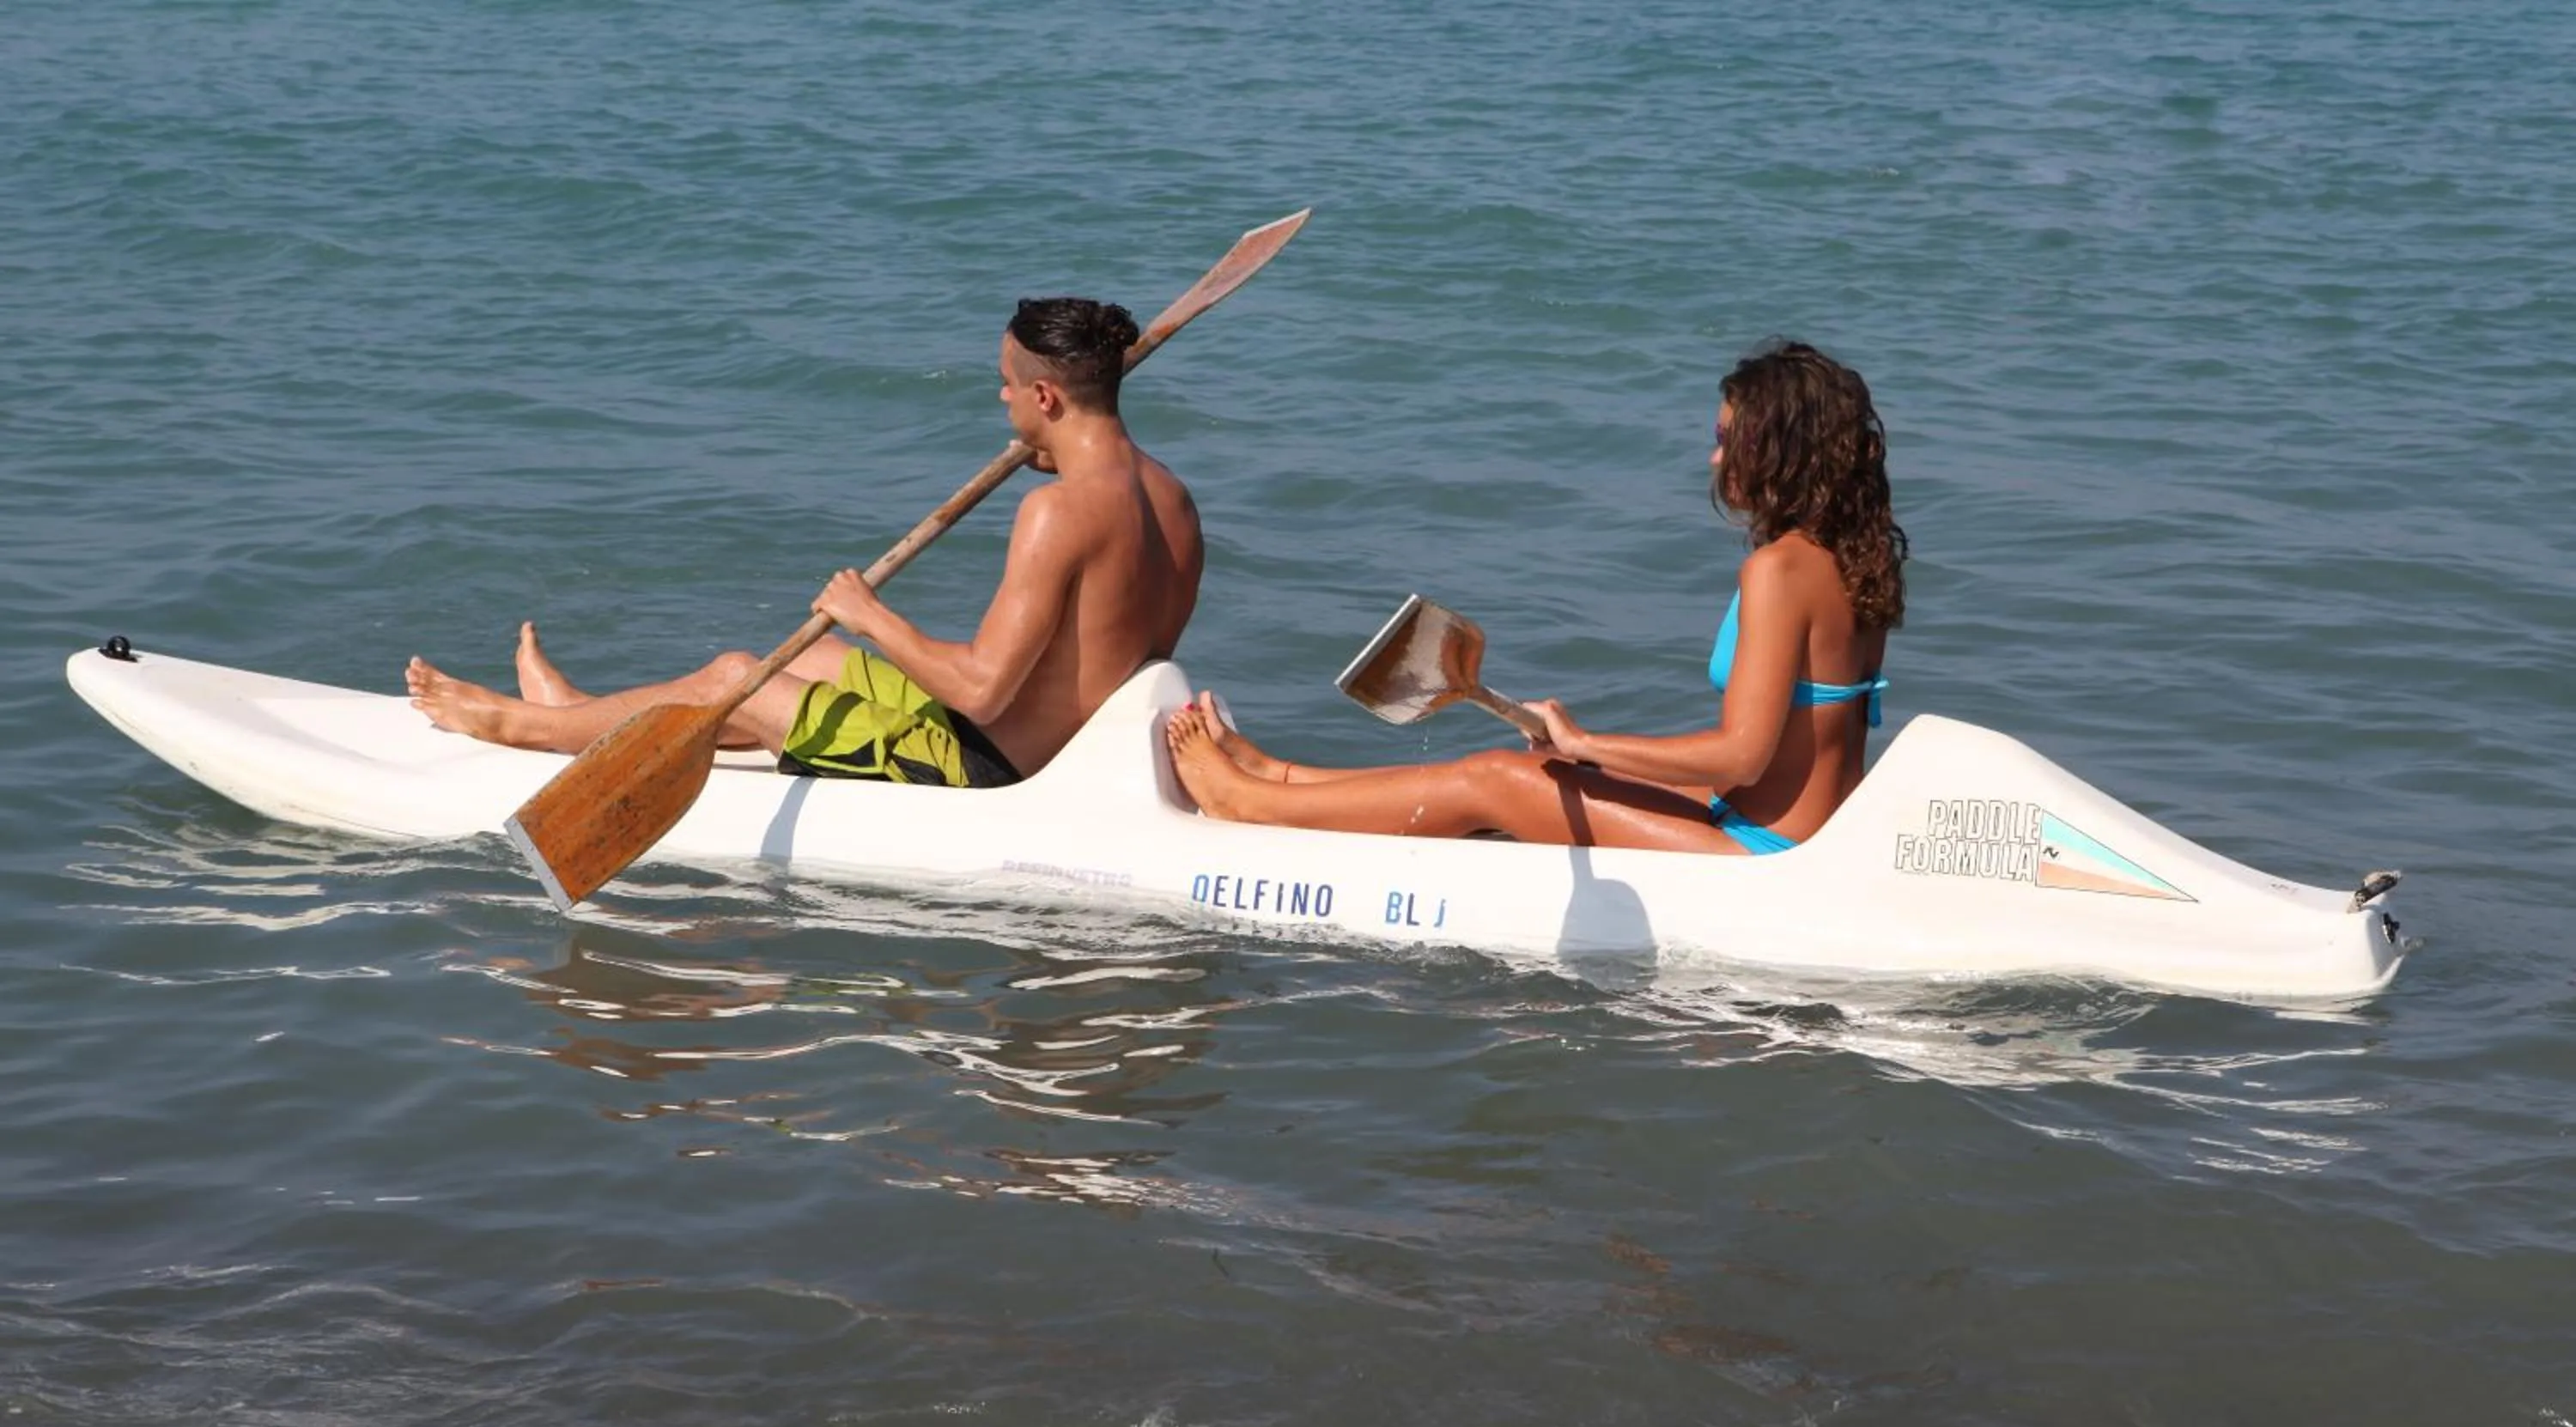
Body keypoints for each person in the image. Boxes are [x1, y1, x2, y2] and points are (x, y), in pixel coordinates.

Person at [406, 296, 1204, 787]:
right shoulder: (1172, 499)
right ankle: (585, 715)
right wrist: (1053, 451)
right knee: (797, 662)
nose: (1000, 398)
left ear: (1045, 395)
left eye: (1007, 383)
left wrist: (870, 616)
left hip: (983, 761)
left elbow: (985, 692)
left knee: (738, 682)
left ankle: (514, 726)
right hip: (1051, 740)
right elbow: (1092, 646)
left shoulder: (1057, 512)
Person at [1166, 339, 1905, 854]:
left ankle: (1249, 805)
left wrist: (1585, 741)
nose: (1714, 457)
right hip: (1788, 829)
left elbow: (1741, 755)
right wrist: (1595, 762)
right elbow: (1781, 756)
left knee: (1497, 778)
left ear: (1776, 451)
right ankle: (1281, 776)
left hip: (1758, 848)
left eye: (1725, 439)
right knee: (1548, 773)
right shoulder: (1855, 561)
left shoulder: (1777, 571)